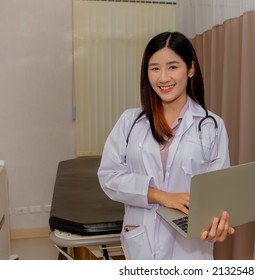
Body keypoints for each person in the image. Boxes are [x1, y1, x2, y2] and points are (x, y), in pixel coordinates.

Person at [98, 31, 234, 260]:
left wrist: (217, 224)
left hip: (190, 246)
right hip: (142, 239)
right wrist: (160, 196)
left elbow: (217, 189)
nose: (163, 78)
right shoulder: (130, 122)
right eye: (154, 68)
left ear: (190, 69)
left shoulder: (212, 126)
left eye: (172, 67)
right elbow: (109, 176)